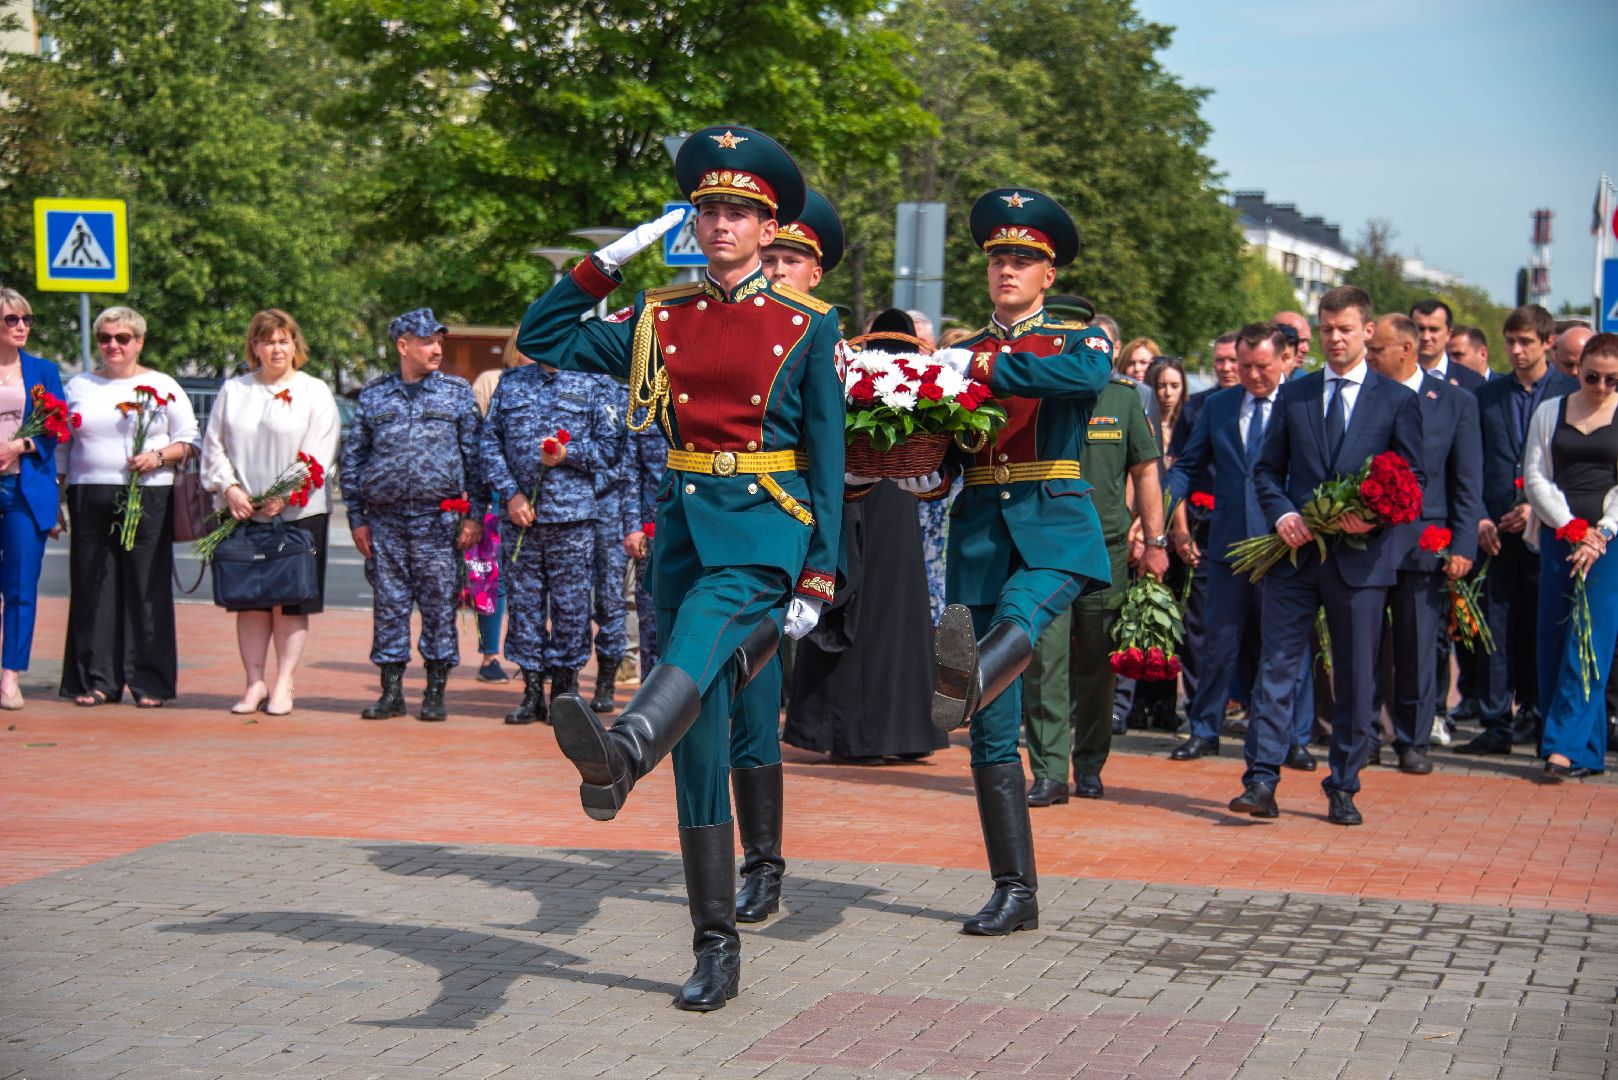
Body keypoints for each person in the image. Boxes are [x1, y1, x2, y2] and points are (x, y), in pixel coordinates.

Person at [517, 126, 843, 1011]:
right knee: (699, 741)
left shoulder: (807, 324)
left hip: (765, 535)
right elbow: (542, 332)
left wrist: (821, 571)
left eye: (738, 211)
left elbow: (827, 452)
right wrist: (615, 255)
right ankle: (715, 947)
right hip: (684, 533)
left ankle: (622, 751)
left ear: (768, 225)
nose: (720, 224)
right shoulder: (661, 316)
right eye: (707, 210)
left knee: (696, 642)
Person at [921, 187, 1112, 932]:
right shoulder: (960, 351)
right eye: (999, 257)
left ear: (1048, 275)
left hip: (1054, 529)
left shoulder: (1076, 339)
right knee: (993, 730)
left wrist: (977, 371)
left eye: (1024, 259)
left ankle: (954, 683)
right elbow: (941, 456)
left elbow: (1082, 383)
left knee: (1013, 619)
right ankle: (1015, 889)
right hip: (975, 532)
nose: (1008, 269)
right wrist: (918, 468)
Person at [1239, 286, 1424, 825]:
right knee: (1276, 668)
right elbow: (1267, 471)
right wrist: (1282, 515)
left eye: (1344, 328)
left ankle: (1343, 784)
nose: (1334, 338)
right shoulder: (1295, 395)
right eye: (1325, 329)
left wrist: (1374, 516)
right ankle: (1261, 780)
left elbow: (1415, 479)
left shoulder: (1396, 400)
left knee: (1356, 676)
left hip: (1361, 562)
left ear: (1367, 331)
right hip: (1295, 556)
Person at [786, 307, 943, 768]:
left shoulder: (852, 374)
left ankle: (861, 732)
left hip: (857, 490)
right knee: (895, 612)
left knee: (865, 604)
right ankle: (904, 729)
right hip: (891, 495)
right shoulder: (912, 380)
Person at [1023, 342, 1166, 805]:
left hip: (1106, 552)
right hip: (1047, 550)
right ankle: (1048, 771)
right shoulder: (1041, 389)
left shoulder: (1124, 398)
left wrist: (1155, 543)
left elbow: (1145, 471)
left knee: (1100, 665)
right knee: (1044, 664)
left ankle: (1089, 765)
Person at [480, 314, 626, 728]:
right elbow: (489, 444)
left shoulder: (595, 383)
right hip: (520, 517)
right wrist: (511, 494)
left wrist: (569, 454)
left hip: (573, 519)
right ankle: (530, 694)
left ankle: (564, 693)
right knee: (524, 606)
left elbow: (611, 453)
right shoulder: (512, 384)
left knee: (571, 607)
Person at [342, 308, 485, 723]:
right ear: (403, 345)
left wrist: (475, 515)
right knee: (389, 606)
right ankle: (391, 693)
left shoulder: (456, 393)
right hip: (385, 521)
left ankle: (435, 692)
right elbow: (354, 459)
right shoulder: (373, 395)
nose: (436, 348)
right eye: (427, 341)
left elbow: (474, 459)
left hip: (438, 521)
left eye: (439, 341)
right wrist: (357, 517)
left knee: (440, 605)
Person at [200, 309, 342, 716]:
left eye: (284, 339)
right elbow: (215, 446)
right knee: (251, 602)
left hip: (299, 514)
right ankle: (253, 683)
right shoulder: (235, 390)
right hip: (241, 512)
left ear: (295, 345)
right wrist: (228, 488)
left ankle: (284, 684)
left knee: (293, 600)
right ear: (255, 347)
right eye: (268, 340)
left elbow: (320, 449)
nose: (276, 348)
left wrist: (286, 492)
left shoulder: (314, 391)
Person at [58, 306, 199, 707]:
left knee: (145, 586)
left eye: (122, 338)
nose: (112, 346)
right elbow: (63, 445)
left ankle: (148, 681)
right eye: (105, 338)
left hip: (147, 494)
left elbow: (190, 439)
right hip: (88, 494)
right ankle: (96, 680)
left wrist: (157, 457)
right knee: (91, 587)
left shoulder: (163, 384)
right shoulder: (80, 385)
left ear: (139, 341)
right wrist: (56, 496)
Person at [1455, 305, 1579, 755]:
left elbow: (1574, 463)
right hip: (1495, 529)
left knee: (1543, 625)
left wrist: (1535, 507)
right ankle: (1495, 722)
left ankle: (1539, 713)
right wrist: (1481, 518)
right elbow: (1471, 461)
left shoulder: (1569, 392)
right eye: (1511, 342)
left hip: (1548, 527)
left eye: (1526, 342)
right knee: (1495, 626)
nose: (1517, 351)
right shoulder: (1488, 395)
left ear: (1548, 342)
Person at [1364, 314, 1482, 773]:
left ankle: (1413, 740)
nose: (1369, 358)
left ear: (1406, 350)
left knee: (1417, 645)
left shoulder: (1455, 403)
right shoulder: (1366, 395)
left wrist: (1464, 544)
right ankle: (1365, 733)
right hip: (1367, 539)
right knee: (1366, 642)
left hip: (1425, 541)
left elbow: (1466, 479)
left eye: (1378, 350)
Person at [1166, 324, 1287, 761]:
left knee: (1282, 644)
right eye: (1245, 366)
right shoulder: (1218, 406)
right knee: (1219, 640)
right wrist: (1164, 495)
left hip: (1284, 545)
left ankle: (1288, 737)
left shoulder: (1301, 402)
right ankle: (1204, 728)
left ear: (1284, 360)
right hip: (1228, 544)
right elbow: (1189, 464)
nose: (1252, 375)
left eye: (1262, 367)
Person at [1523, 332, 1618, 779]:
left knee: (1591, 641)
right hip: (1561, 536)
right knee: (1555, 639)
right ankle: (1589, 750)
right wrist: (1570, 528)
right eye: (1593, 376)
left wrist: (1600, 534)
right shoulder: (1549, 411)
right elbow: (1536, 476)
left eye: (1612, 380)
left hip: (1608, 545)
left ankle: (1561, 746)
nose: (1601, 387)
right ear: (1578, 369)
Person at [0, 288, 67, 710]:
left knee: (21, 587)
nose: (21, 326)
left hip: (24, 489)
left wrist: (19, 445)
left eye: (26, 319)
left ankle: (10, 677)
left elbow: (57, 426)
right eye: (11, 319)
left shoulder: (43, 370)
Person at [468, 331, 536, 684]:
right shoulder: (490, 382)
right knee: (488, 580)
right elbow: (480, 443)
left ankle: (530, 656)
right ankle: (489, 656)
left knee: (531, 583)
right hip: (495, 496)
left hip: (539, 500)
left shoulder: (555, 383)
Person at [1410, 299, 1484, 391]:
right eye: (1420, 329)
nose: (1426, 337)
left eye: (1434, 329)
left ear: (1448, 334)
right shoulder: (1392, 376)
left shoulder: (1472, 382)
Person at [1147, 356, 1187, 463]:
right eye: (1161, 386)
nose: (1168, 393)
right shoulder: (1143, 426)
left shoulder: (1188, 426)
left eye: (1175, 386)